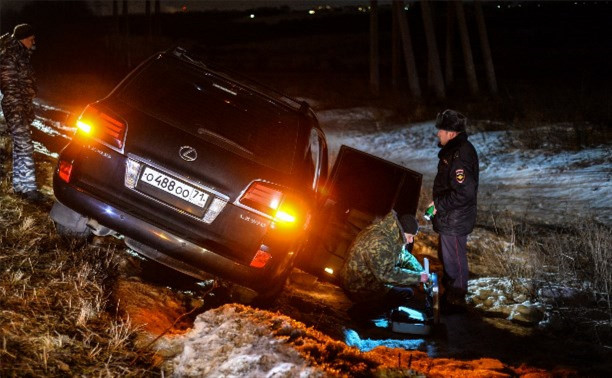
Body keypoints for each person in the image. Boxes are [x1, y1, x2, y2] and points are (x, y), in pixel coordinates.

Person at [428, 109, 479, 308]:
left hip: (456, 218)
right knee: (447, 257)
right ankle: (451, 294)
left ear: (451, 132)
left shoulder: (460, 154)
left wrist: (439, 204)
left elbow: (464, 193)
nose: (437, 133)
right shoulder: (454, 151)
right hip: (450, 216)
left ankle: (456, 299)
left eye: (440, 130)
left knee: (454, 260)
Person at [340, 210, 429, 323]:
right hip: (357, 285)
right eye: (410, 236)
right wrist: (418, 278)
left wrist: (420, 271)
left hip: (365, 278)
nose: (411, 241)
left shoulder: (391, 233)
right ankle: (359, 312)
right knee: (405, 293)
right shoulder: (381, 241)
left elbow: (404, 256)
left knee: (405, 285)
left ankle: (379, 309)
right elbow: (386, 275)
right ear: (402, 232)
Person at [0, 23, 44, 202]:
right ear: (24, 38)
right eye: (31, 39)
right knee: (25, 146)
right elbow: (10, 86)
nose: (33, 43)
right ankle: (28, 189)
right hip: (15, 106)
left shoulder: (19, 54)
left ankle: (20, 187)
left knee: (20, 147)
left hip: (19, 106)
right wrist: (19, 109)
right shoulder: (10, 56)